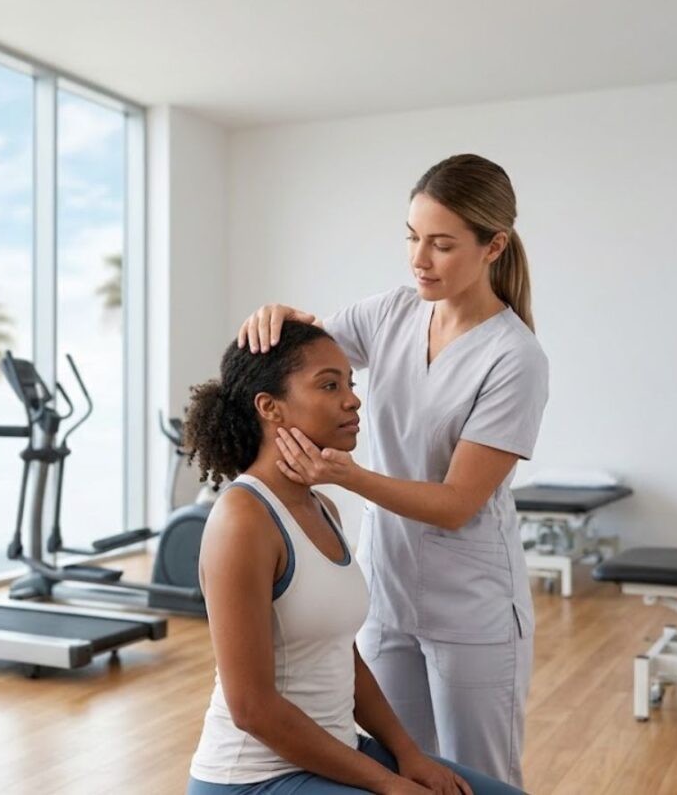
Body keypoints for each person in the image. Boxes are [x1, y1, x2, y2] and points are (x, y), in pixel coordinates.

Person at [236, 154, 548, 787]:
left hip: (474, 609)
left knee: (478, 779)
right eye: (412, 238)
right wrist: (272, 320)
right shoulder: (391, 314)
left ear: (494, 246)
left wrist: (344, 474)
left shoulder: (515, 357)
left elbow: (458, 502)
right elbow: (303, 366)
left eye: (441, 244)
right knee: (406, 770)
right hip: (388, 591)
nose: (419, 260)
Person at [185, 320, 525, 795]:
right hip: (254, 777)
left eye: (351, 383)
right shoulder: (242, 520)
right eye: (329, 385)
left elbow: (343, 657)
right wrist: (387, 784)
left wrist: (408, 755)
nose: (352, 399)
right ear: (270, 407)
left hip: (337, 750)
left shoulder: (322, 506)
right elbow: (251, 709)